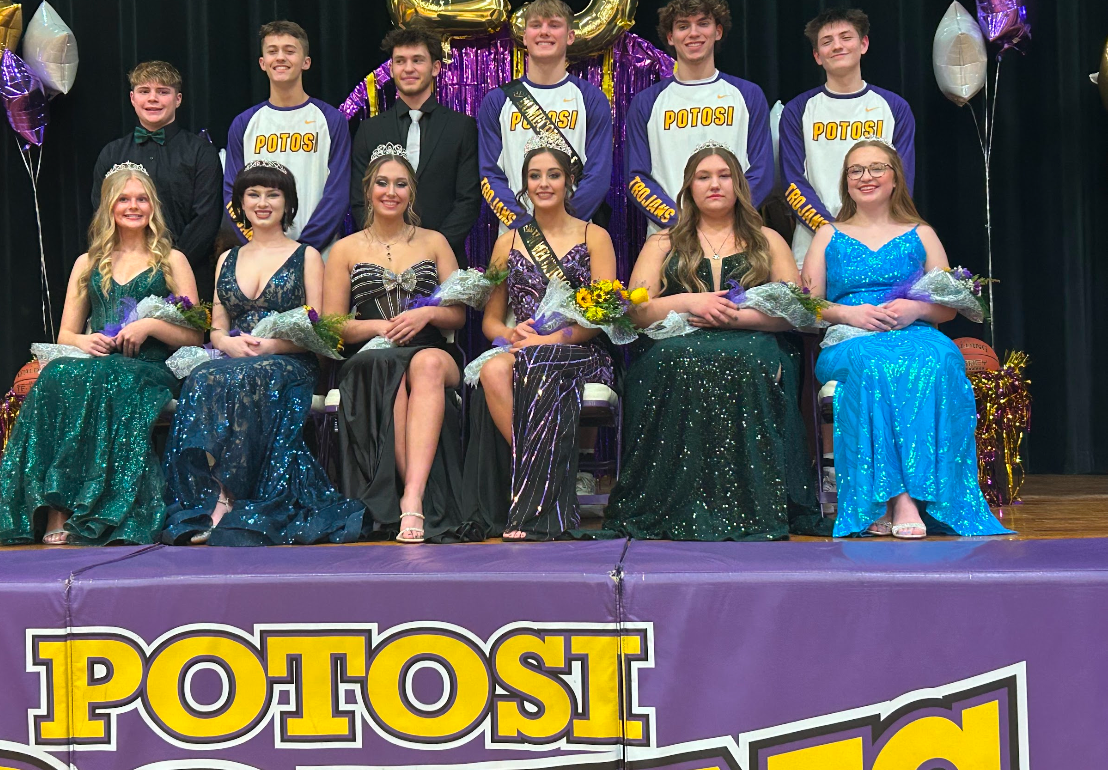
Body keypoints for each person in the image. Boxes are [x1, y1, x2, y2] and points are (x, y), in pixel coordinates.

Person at [605, 144, 827, 540]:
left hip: (755, 339)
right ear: (689, 187)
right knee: (672, 358)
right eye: (703, 177)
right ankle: (671, 499)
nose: (714, 184)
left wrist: (732, 317)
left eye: (723, 175)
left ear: (738, 184)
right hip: (676, 339)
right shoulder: (663, 242)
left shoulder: (768, 239)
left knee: (750, 357)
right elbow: (636, 311)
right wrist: (689, 301)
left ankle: (756, 502)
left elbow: (795, 312)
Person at [801, 138, 1010, 539]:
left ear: (895, 177)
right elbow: (806, 307)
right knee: (875, 364)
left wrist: (916, 309)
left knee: (942, 358)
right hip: (850, 337)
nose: (867, 177)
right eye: (856, 170)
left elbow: (947, 307)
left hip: (912, 331)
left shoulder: (922, 233)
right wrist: (848, 312)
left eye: (877, 168)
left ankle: (931, 496)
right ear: (846, 182)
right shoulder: (827, 234)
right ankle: (896, 497)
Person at [0, 165, 201, 545]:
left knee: (114, 378)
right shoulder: (88, 263)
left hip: (148, 366)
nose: (133, 206)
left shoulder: (172, 260)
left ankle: (99, 508)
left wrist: (150, 326)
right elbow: (66, 333)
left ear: (153, 206)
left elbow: (195, 333)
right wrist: (84, 342)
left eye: (141, 199)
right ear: (110, 206)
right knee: (56, 376)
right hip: (99, 362)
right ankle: (57, 505)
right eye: (124, 199)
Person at [160, 162, 367, 546]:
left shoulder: (306, 256)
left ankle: (240, 498)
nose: (263, 202)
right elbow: (217, 327)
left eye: (273, 194)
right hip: (234, 357)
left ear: (287, 203)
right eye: (253, 194)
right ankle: (214, 495)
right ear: (240, 202)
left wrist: (272, 345)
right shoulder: (228, 258)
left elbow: (317, 331)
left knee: (255, 375)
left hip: (288, 360)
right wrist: (226, 343)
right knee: (203, 376)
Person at [461, 139, 616, 540]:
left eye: (553, 175)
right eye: (535, 176)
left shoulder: (594, 235)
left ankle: (536, 500)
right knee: (494, 369)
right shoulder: (507, 242)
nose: (543, 183)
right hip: (526, 349)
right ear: (524, 186)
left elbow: (601, 319)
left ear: (568, 183)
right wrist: (510, 333)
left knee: (537, 363)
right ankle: (547, 479)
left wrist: (551, 340)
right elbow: (491, 323)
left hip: (580, 349)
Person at [325, 146, 466, 543]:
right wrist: (378, 327)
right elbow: (333, 327)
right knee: (393, 371)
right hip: (375, 355)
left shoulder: (435, 241)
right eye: (382, 183)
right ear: (368, 190)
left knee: (425, 365)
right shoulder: (345, 249)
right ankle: (412, 503)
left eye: (400, 184)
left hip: (431, 348)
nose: (391, 192)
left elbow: (457, 316)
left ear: (412, 192)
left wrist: (427, 314)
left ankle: (413, 498)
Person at [627, 0, 772, 235]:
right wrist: (679, 221)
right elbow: (637, 178)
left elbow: (762, 171)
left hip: (737, 233)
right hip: (670, 236)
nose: (694, 33)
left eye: (703, 24)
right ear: (671, 37)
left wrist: (725, 218)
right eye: (683, 26)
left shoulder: (748, 95)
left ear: (718, 32)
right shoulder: (646, 103)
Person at [780, 7, 916, 267]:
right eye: (827, 42)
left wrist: (869, 228)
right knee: (818, 308)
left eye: (846, 37)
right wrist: (830, 230)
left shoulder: (894, 107)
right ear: (817, 56)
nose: (837, 46)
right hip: (814, 239)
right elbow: (792, 181)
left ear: (863, 44)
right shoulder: (797, 110)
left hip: (882, 237)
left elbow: (903, 177)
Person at [478, 0, 613, 231]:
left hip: (575, 234)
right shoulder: (498, 101)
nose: (544, 32)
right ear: (524, 36)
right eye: (536, 25)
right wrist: (523, 226)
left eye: (554, 25)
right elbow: (490, 175)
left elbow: (598, 175)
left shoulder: (590, 98)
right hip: (515, 236)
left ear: (570, 36)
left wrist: (564, 223)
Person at [91, 61, 223, 299]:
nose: (153, 99)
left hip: (187, 277)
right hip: (122, 277)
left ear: (178, 99)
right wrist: (134, 268)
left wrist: (169, 267)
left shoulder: (201, 152)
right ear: (132, 98)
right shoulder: (111, 154)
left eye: (163, 92)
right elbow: (102, 214)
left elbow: (206, 219)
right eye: (144, 91)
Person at [350, 26, 481, 266]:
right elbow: (360, 200)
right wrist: (386, 246)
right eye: (400, 61)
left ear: (436, 67)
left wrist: (431, 250)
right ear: (391, 69)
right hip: (380, 260)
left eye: (417, 60)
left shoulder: (461, 127)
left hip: (443, 260)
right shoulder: (370, 130)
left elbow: (468, 200)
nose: (408, 68)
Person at [223, 21, 351, 252]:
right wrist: (260, 243)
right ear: (262, 63)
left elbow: (338, 193)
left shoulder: (331, 120)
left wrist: (302, 249)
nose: (280, 57)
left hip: (318, 254)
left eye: (290, 51)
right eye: (272, 51)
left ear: (306, 62)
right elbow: (232, 193)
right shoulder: (244, 124)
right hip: (259, 255)